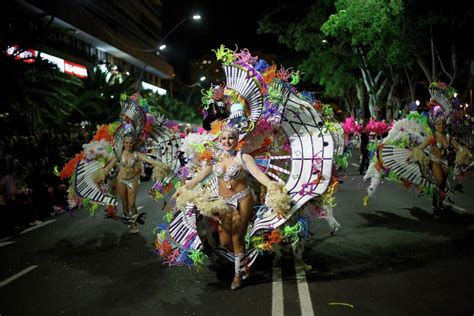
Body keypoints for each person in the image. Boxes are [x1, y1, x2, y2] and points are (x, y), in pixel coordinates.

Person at [172, 126, 289, 290]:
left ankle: (237, 275)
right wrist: (184, 188)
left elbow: (258, 174)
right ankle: (243, 260)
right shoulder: (214, 159)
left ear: (236, 140)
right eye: (224, 138)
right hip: (223, 202)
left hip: (243, 199)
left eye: (231, 138)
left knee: (237, 237)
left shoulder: (244, 157)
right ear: (220, 141)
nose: (227, 141)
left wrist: (272, 185)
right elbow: (200, 176)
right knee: (224, 240)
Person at [96, 134, 170, 233]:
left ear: (133, 144)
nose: (128, 144)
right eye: (126, 142)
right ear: (123, 144)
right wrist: (101, 174)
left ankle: (134, 224)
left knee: (131, 204)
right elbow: (109, 167)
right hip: (120, 181)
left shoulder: (137, 154)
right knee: (125, 204)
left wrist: (160, 164)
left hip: (132, 181)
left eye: (130, 143)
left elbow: (150, 160)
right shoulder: (119, 154)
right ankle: (129, 223)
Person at [411, 117, 471, 215]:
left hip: (445, 162)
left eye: (443, 124)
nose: (441, 126)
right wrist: (417, 153)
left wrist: (462, 150)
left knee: (442, 185)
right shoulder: (433, 136)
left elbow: (458, 147)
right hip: (434, 161)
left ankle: (440, 202)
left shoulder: (448, 136)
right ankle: (435, 202)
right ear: (435, 126)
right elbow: (421, 147)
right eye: (439, 124)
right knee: (439, 180)